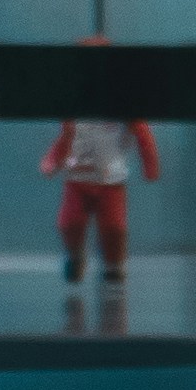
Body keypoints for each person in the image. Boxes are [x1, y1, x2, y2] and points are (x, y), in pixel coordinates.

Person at [40, 70, 164, 323]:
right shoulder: (74, 109)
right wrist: (52, 161)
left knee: (114, 227)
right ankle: (74, 256)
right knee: (70, 222)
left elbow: (143, 135)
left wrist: (150, 165)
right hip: (78, 178)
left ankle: (113, 267)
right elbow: (65, 139)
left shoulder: (124, 108)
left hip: (111, 181)